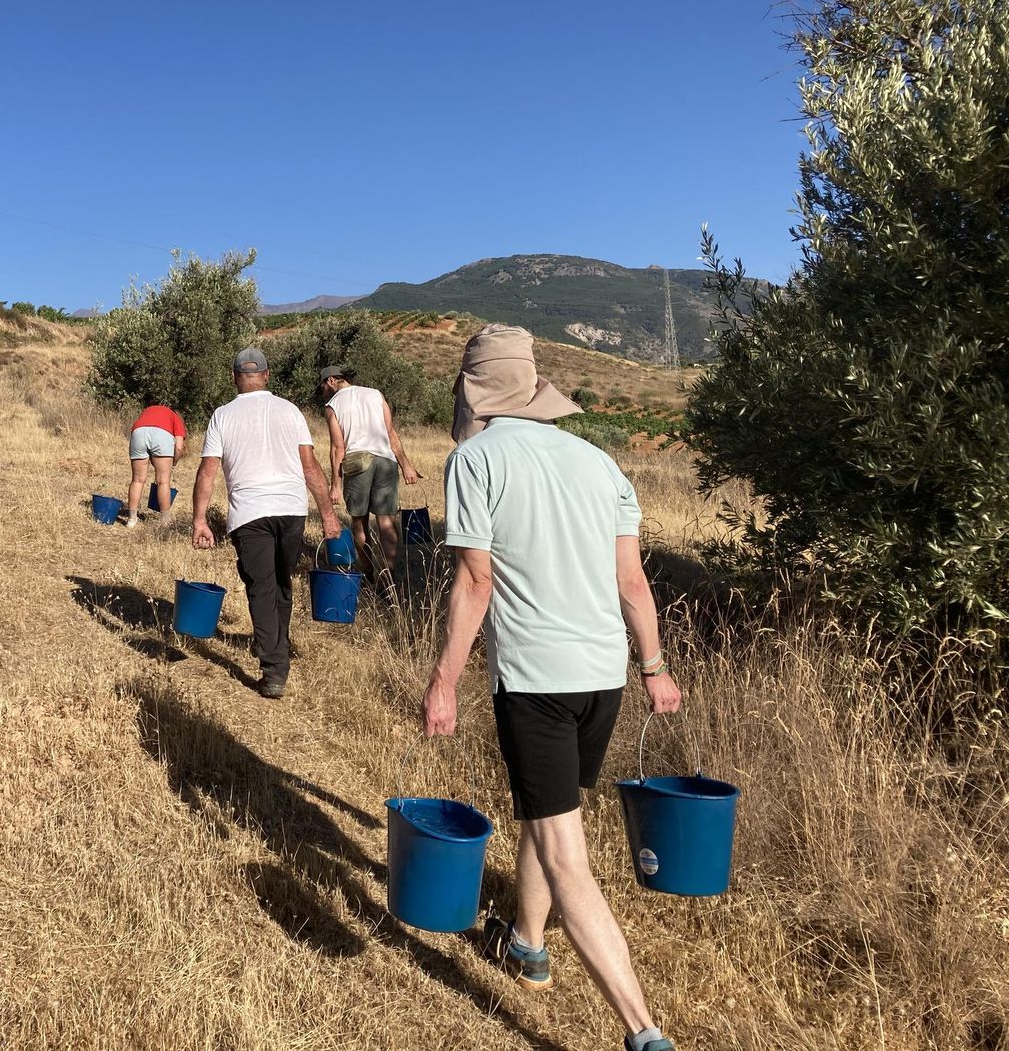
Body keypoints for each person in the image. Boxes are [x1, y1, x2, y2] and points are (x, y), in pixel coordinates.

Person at [421, 324, 682, 1051]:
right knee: (551, 813)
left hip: (536, 681)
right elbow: (632, 582)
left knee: (569, 856)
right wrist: (654, 668)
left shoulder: (475, 460)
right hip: (604, 677)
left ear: (474, 391)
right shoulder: (601, 465)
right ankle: (527, 942)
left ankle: (642, 1030)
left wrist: (443, 681)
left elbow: (476, 579)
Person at [192, 347, 341, 699]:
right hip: (292, 510)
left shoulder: (222, 416)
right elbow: (310, 467)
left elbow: (208, 472)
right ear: (267, 376)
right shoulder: (290, 411)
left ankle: (274, 668)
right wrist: (329, 516)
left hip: (250, 513)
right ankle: (278, 644)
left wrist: (200, 519)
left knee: (261, 587)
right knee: (281, 582)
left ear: (233, 377)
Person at [319, 365, 421, 578]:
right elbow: (391, 433)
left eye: (322, 387)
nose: (323, 392)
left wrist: (335, 485)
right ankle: (389, 575)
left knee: (359, 521)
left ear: (330, 381)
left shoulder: (333, 405)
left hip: (358, 464)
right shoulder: (375, 394)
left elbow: (338, 448)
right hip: (386, 461)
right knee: (386, 520)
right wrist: (406, 466)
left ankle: (367, 572)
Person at [125, 403, 186, 528]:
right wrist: (173, 464)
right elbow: (179, 448)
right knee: (163, 481)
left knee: (137, 479)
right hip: (161, 435)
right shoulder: (175, 418)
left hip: (138, 432)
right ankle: (165, 521)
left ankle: (131, 519)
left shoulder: (147, 410)